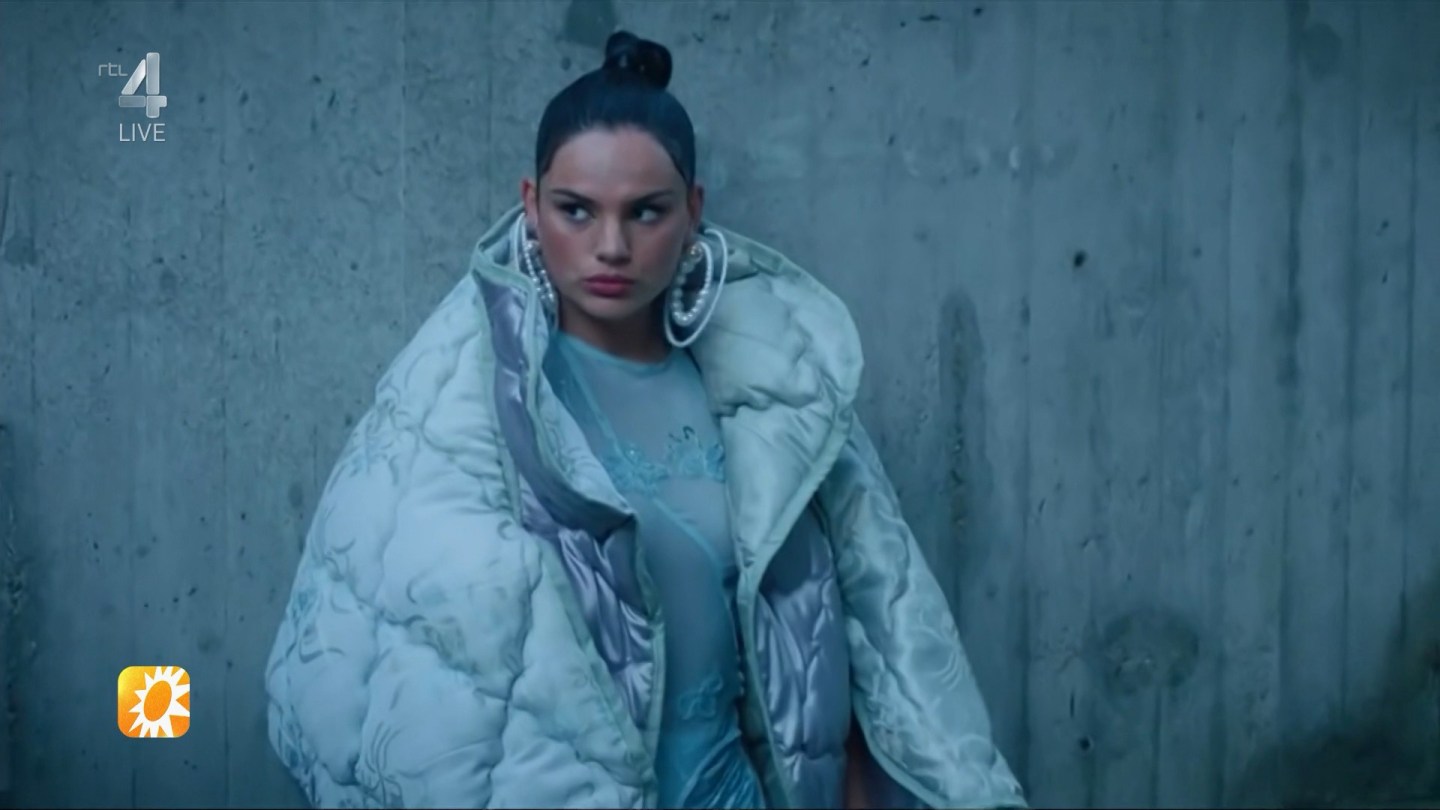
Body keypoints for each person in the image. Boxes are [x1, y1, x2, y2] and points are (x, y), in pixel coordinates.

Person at [265, 29, 1026, 810]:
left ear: (693, 210)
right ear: (530, 205)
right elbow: (376, 645)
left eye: (646, 212)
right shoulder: (463, 401)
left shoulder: (778, 395)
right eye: (576, 210)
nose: (611, 246)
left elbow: (869, 630)